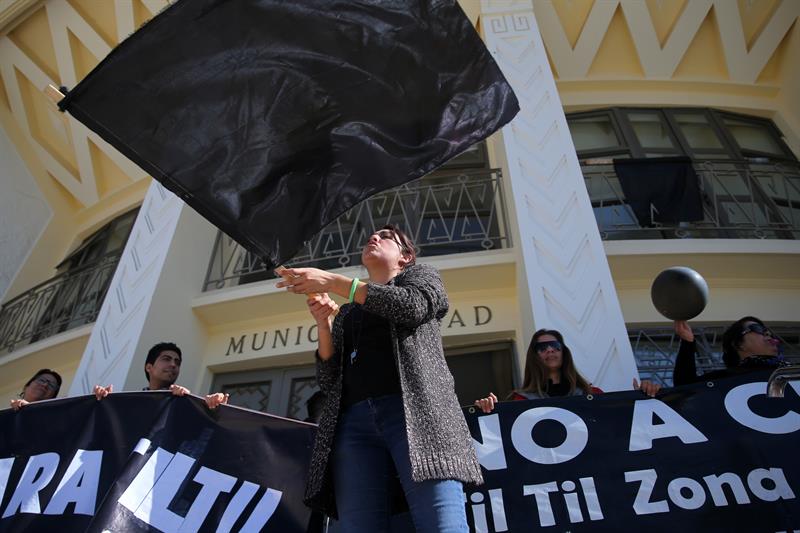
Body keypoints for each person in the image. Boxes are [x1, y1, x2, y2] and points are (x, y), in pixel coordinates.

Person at [277, 224, 481, 532]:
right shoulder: (347, 314)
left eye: (386, 237)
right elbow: (329, 381)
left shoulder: (422, 276)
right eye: (372, 235)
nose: (374, 237)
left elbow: (412, 306)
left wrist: (333, 281)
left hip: (417, 418)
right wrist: (323, 325)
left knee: (442, 526)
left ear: (406, 256)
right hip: (354, 429)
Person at [474, 328, 661, 413]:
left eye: (555, 345)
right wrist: (489, 412)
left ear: (564, 352)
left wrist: (642, 399)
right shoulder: (521, 401)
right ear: (534, 356)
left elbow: (620, 427)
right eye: (542, 348)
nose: (550, 350)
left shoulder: (592, 394)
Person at [93, 342, 228, 408]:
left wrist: (214, 407)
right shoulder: (129, 404)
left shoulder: (184, 403)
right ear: (149, 367)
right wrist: (101, 402)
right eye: (166, 359)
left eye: (177, 362)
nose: (173, 365)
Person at [672, 316, 786, 386]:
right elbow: (685, 386)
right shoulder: (726, 380)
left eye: (768, 331)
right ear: (739, 344)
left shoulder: (792, 370)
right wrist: (687, 342)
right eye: (757, 329)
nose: (767, 333)